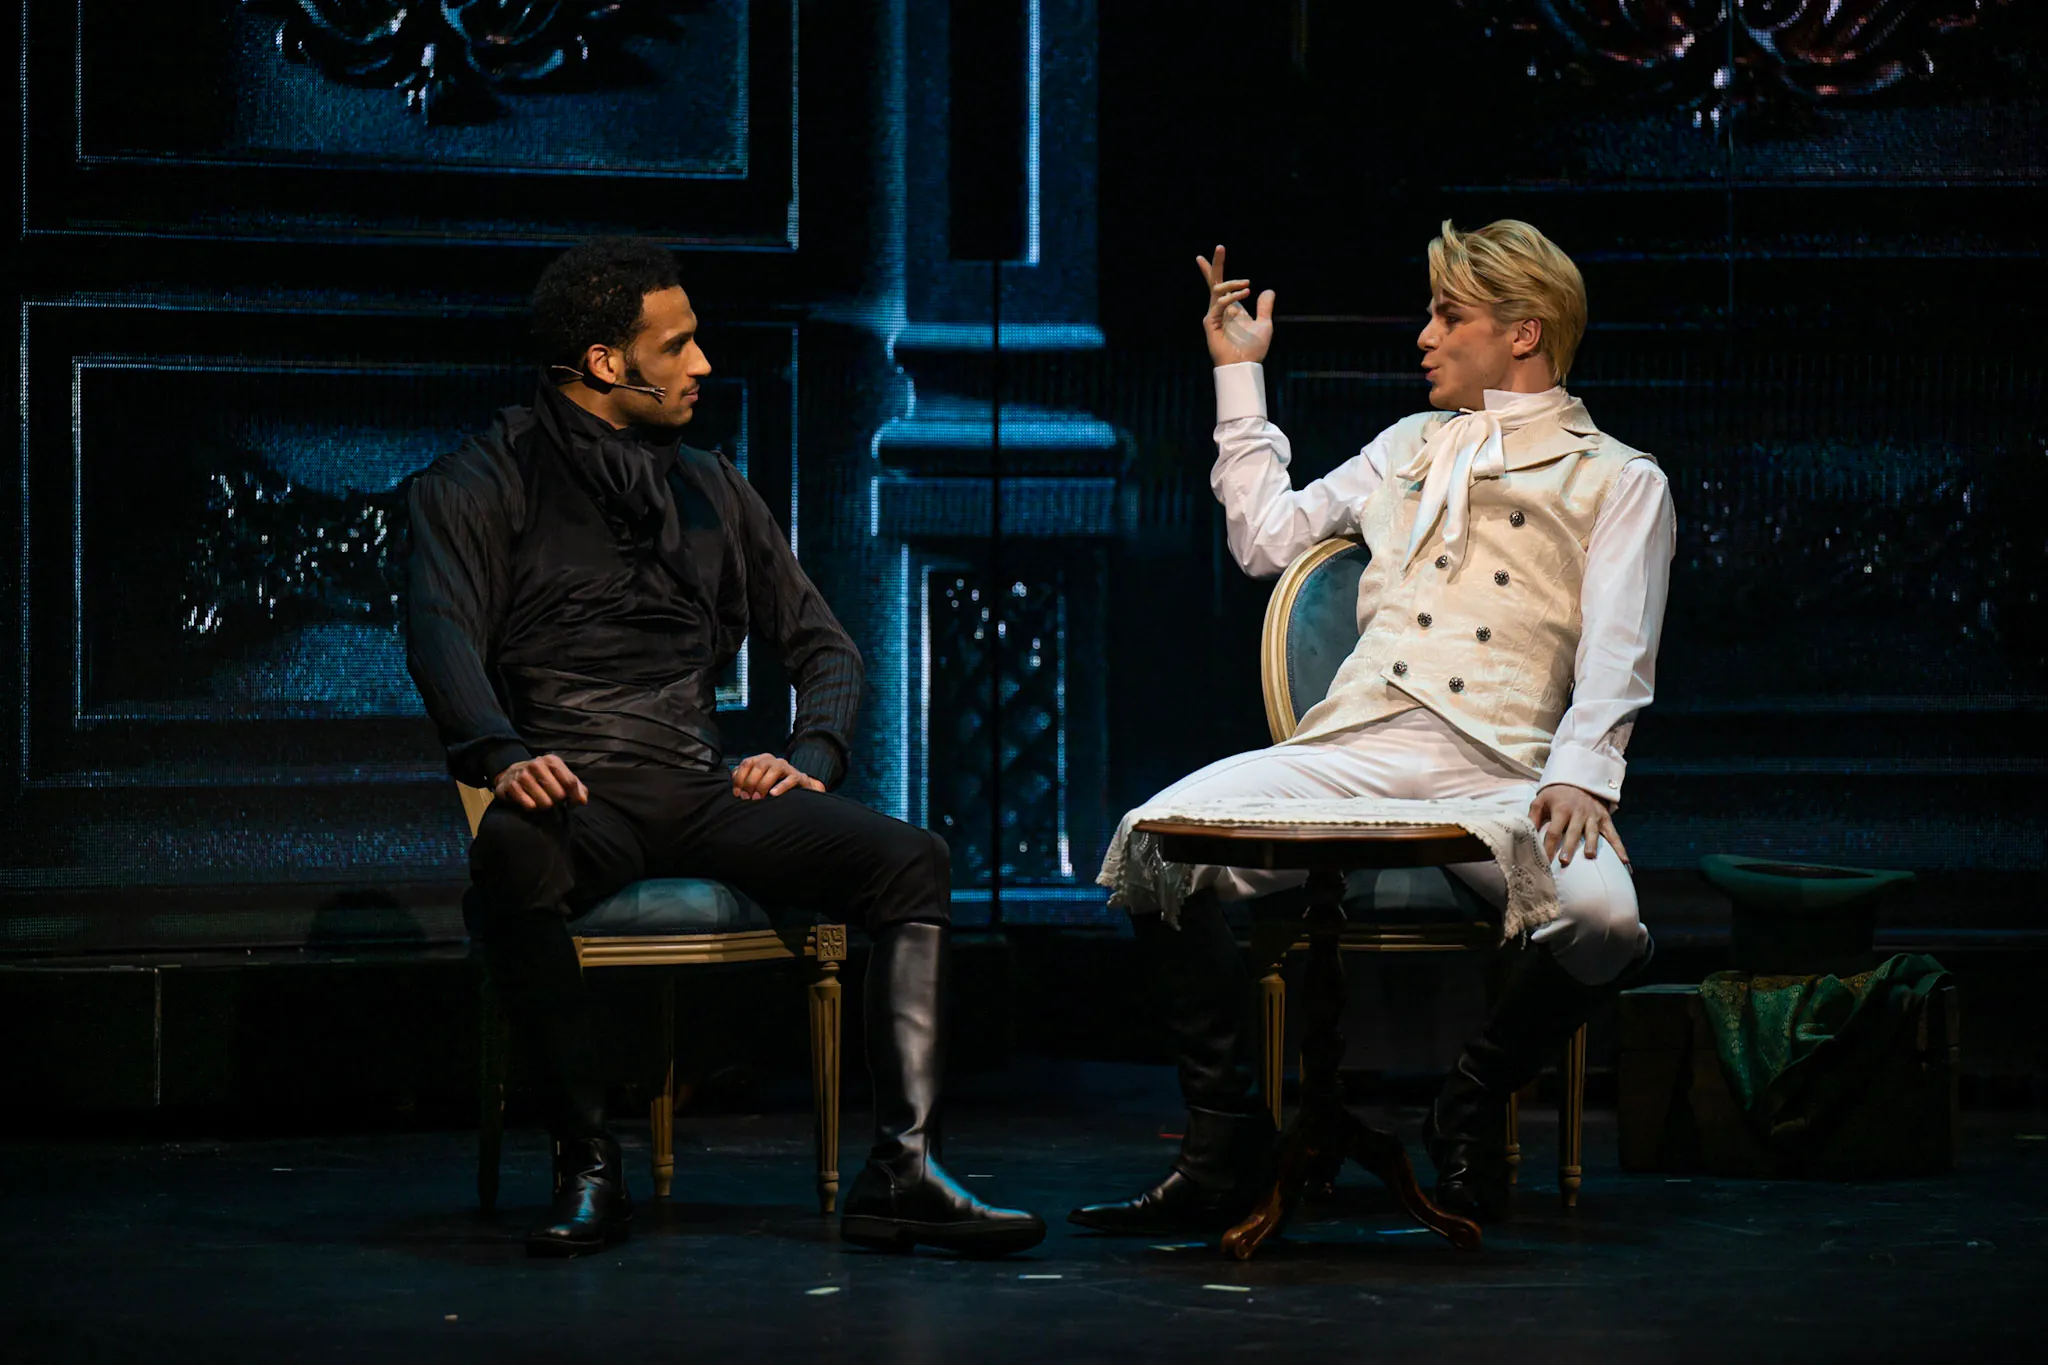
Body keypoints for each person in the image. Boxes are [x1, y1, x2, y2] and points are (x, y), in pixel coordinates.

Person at [405, 236, 1045, 1259]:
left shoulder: (711, 487)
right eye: (679, 343)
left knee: (910, 861)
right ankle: (587, 1165)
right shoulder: (479, 482)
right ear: (606, 364)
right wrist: (497, 752)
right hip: (577, 795)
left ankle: (902, 1171)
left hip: (700, 792)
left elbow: (823, 645)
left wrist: (815, 751)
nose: (703, 364)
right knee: (508, 860)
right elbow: (439, 633)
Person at [1072, 221, 1676, 1234]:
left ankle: (1468, 1104)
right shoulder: (1405, 446)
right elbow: (1265, 540)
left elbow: (1619, 652)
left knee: (1606, 922)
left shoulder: (1617, 477)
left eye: (1448, 316)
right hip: (1357, 748)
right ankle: (1226, 1141)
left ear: (1521, 332)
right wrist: (1238, 380)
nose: (1423, 337)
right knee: (1152, 842)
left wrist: (1582, 774)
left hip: (1503, 770)